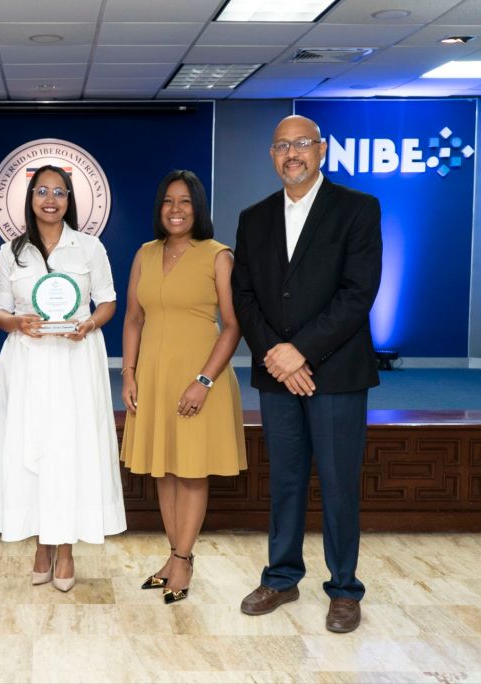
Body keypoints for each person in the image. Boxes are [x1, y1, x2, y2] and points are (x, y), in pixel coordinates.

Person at [231, 115, 382, 633]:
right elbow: (244, 295)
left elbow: (358, 293)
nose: (291, 154)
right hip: (277, 373)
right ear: (272, 156)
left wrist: (301, 352)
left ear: (321, 150)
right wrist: (277, 354)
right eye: (281, 146)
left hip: (335, 373)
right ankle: (281, 578)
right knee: (286, 480)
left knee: (339, 483)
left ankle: (343, 589)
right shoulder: (254, 218)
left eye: (301, 144)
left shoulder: (357, 209)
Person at [0, 164, 126, 591]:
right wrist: (18, 323)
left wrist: (90, 323)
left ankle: (66, 549)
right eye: (42, 191)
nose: (50, 199)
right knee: (33, 449)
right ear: (30, 199)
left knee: (70, 451)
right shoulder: (11, 251)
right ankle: (41, 543)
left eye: (59, 192)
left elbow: (108, 302)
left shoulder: (89, 247)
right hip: (27, 361)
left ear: (69, 199)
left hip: (76, 359)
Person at [120, 170, 247, 604]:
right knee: (165, 470)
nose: (175, 210)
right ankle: (176, 556)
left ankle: (182, 560)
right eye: (168, 201)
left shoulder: (218, 256)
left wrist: (204, 380)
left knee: (191, 472)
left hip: (200, 381)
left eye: (185, 201)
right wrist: (129, 372)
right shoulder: (144, 254)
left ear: (198, 208)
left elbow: (233, 325)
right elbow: (133, 319)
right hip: (154, 380)